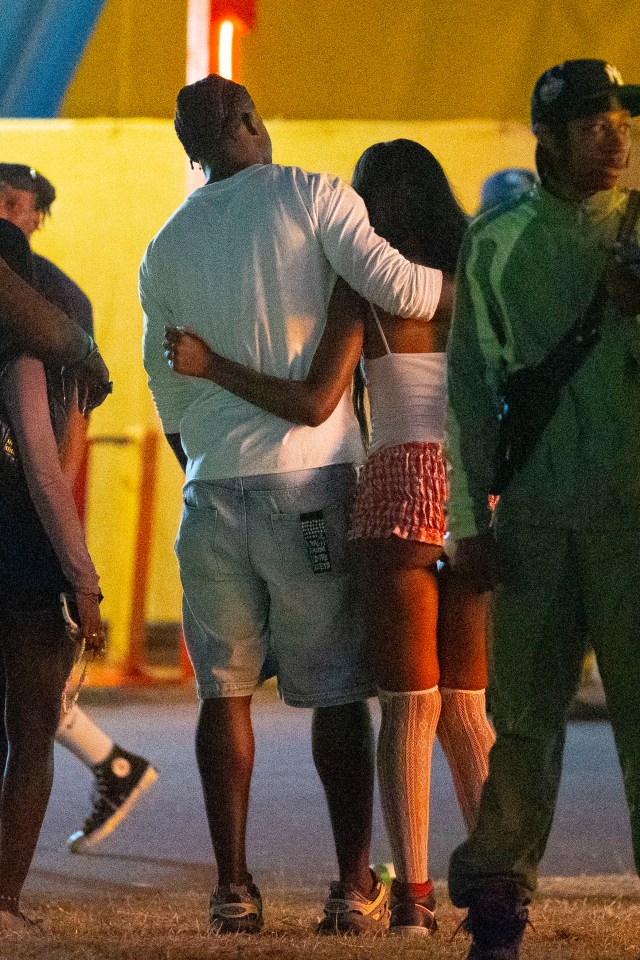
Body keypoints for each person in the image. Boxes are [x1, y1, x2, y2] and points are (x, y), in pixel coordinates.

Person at [165, 138, 496, 937]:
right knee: (469, 711)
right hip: (474, 490)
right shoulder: (474, 283)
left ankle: (411, 901)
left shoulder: (361, 288)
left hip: (395, 490)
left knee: (409, 709)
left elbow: (318, 399)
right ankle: (497, 887)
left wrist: (213, 367)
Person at [444, 59, 640, 960]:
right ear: (548, 137)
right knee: (521, 720)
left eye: (623, 119)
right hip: (530, 522)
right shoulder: (495, 241)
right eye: (594, 120)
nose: (616, 135)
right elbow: (472, 391)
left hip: (633, 519)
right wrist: (470, 526)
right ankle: (495, 907)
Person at [0, 163, 158, 853]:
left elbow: (56, 442)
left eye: (15, 203)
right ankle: (112, 764)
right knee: (28, 710)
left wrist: (60, 537)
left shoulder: (57, 302)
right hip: (29, 519)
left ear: (38, 216)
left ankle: (112, 766)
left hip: (29, 518)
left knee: (31, 707)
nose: (5, 213)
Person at [0, 223, 106, 936]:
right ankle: (3, 901)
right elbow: (42, 469)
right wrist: (84, 579)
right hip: (22, 554)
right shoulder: (26, 356)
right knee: (31, 734)